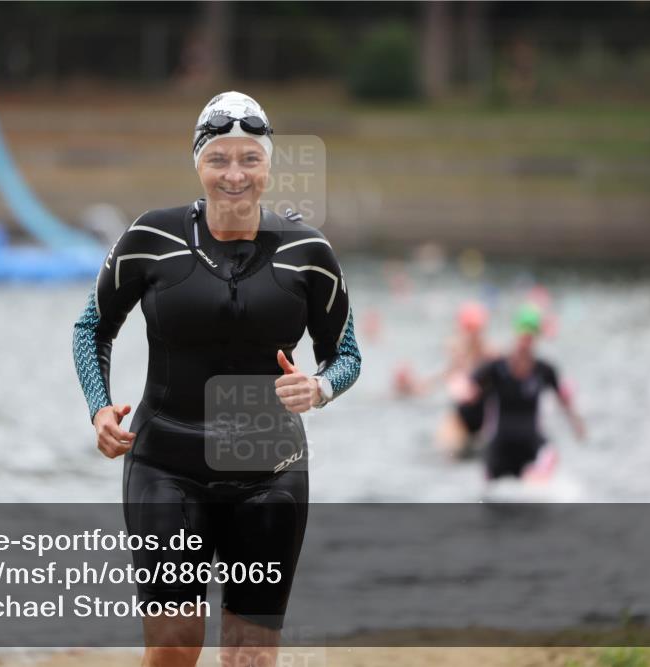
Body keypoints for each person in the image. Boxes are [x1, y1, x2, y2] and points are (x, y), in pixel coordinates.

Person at [72, 91, 360, 667]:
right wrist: (99, 408)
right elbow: (91, 328)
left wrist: (319, 388)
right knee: (175, 642)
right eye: (219, 159)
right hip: (166, 465)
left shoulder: (309, 252)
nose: (234, 174)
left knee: (250, 654)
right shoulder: (151, 238)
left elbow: (346, 354)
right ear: (198, 163)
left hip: (270, 471)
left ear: (268, 165)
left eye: (250, 158)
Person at [467, 304, 585, 482]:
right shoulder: (496, 367)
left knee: (549, 455)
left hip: (530, 441)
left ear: (536, 339)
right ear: (516, 335)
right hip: (501, 442)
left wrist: (576, 424)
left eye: (530, 338)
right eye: (523, 337)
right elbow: (469, 387)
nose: (525, 342)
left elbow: (563, 401)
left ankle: (536, 478)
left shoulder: (544, 370)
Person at [395, 301, 496, 458]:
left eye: (475, 330)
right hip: (462, 418)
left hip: (485, 417)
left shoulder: (491, 356)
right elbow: (437, 381)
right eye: (469, 330)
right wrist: (409, 387)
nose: (472, 335)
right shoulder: (459, 356)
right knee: (445, 449)